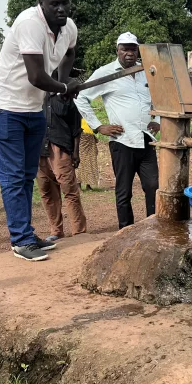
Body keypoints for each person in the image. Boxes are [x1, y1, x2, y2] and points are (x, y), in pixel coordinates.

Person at [0, 0, 80, 261]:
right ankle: (21, 240)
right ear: (42, 4)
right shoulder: (29, 24)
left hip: (33, 108)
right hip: (4, 106)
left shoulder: (68, 28)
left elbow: (69, 52)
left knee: (27, 175)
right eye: (54, 4)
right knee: (13, 176)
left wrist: (61, 84)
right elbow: (36, 76)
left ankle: (25, 232)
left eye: (65, 3)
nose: (61, 9)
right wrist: (63, 88)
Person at [76, 32, 160, 229]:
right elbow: (80, 96)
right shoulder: (106, 73)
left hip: (146, 139)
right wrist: (98, 126)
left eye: (133, 48)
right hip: (122, 140)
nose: (129, 53)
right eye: (125, 49)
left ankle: (152, 227)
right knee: (124, 191)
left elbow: (159, 97)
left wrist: (158, 120)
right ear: (117, 50)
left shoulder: (145, 71)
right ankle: (126, 231)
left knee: (153, 186)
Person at [37, 78, 87, 241]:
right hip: (39, 149)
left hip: (61, 148)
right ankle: (56, 231)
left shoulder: (67, 100)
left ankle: (79, 231)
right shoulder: (36, 98)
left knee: (69, 190)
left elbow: (76, 128)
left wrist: (75, 153)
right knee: (47, 192)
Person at [77, 119, 99, 190]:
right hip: (83, 136)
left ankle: (85, 184)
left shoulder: (84, 114)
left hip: (87, 137)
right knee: (86, 160)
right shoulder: (82, 114)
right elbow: (96, 129)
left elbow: (95, 129)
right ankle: (80, 184)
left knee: (88, 160)